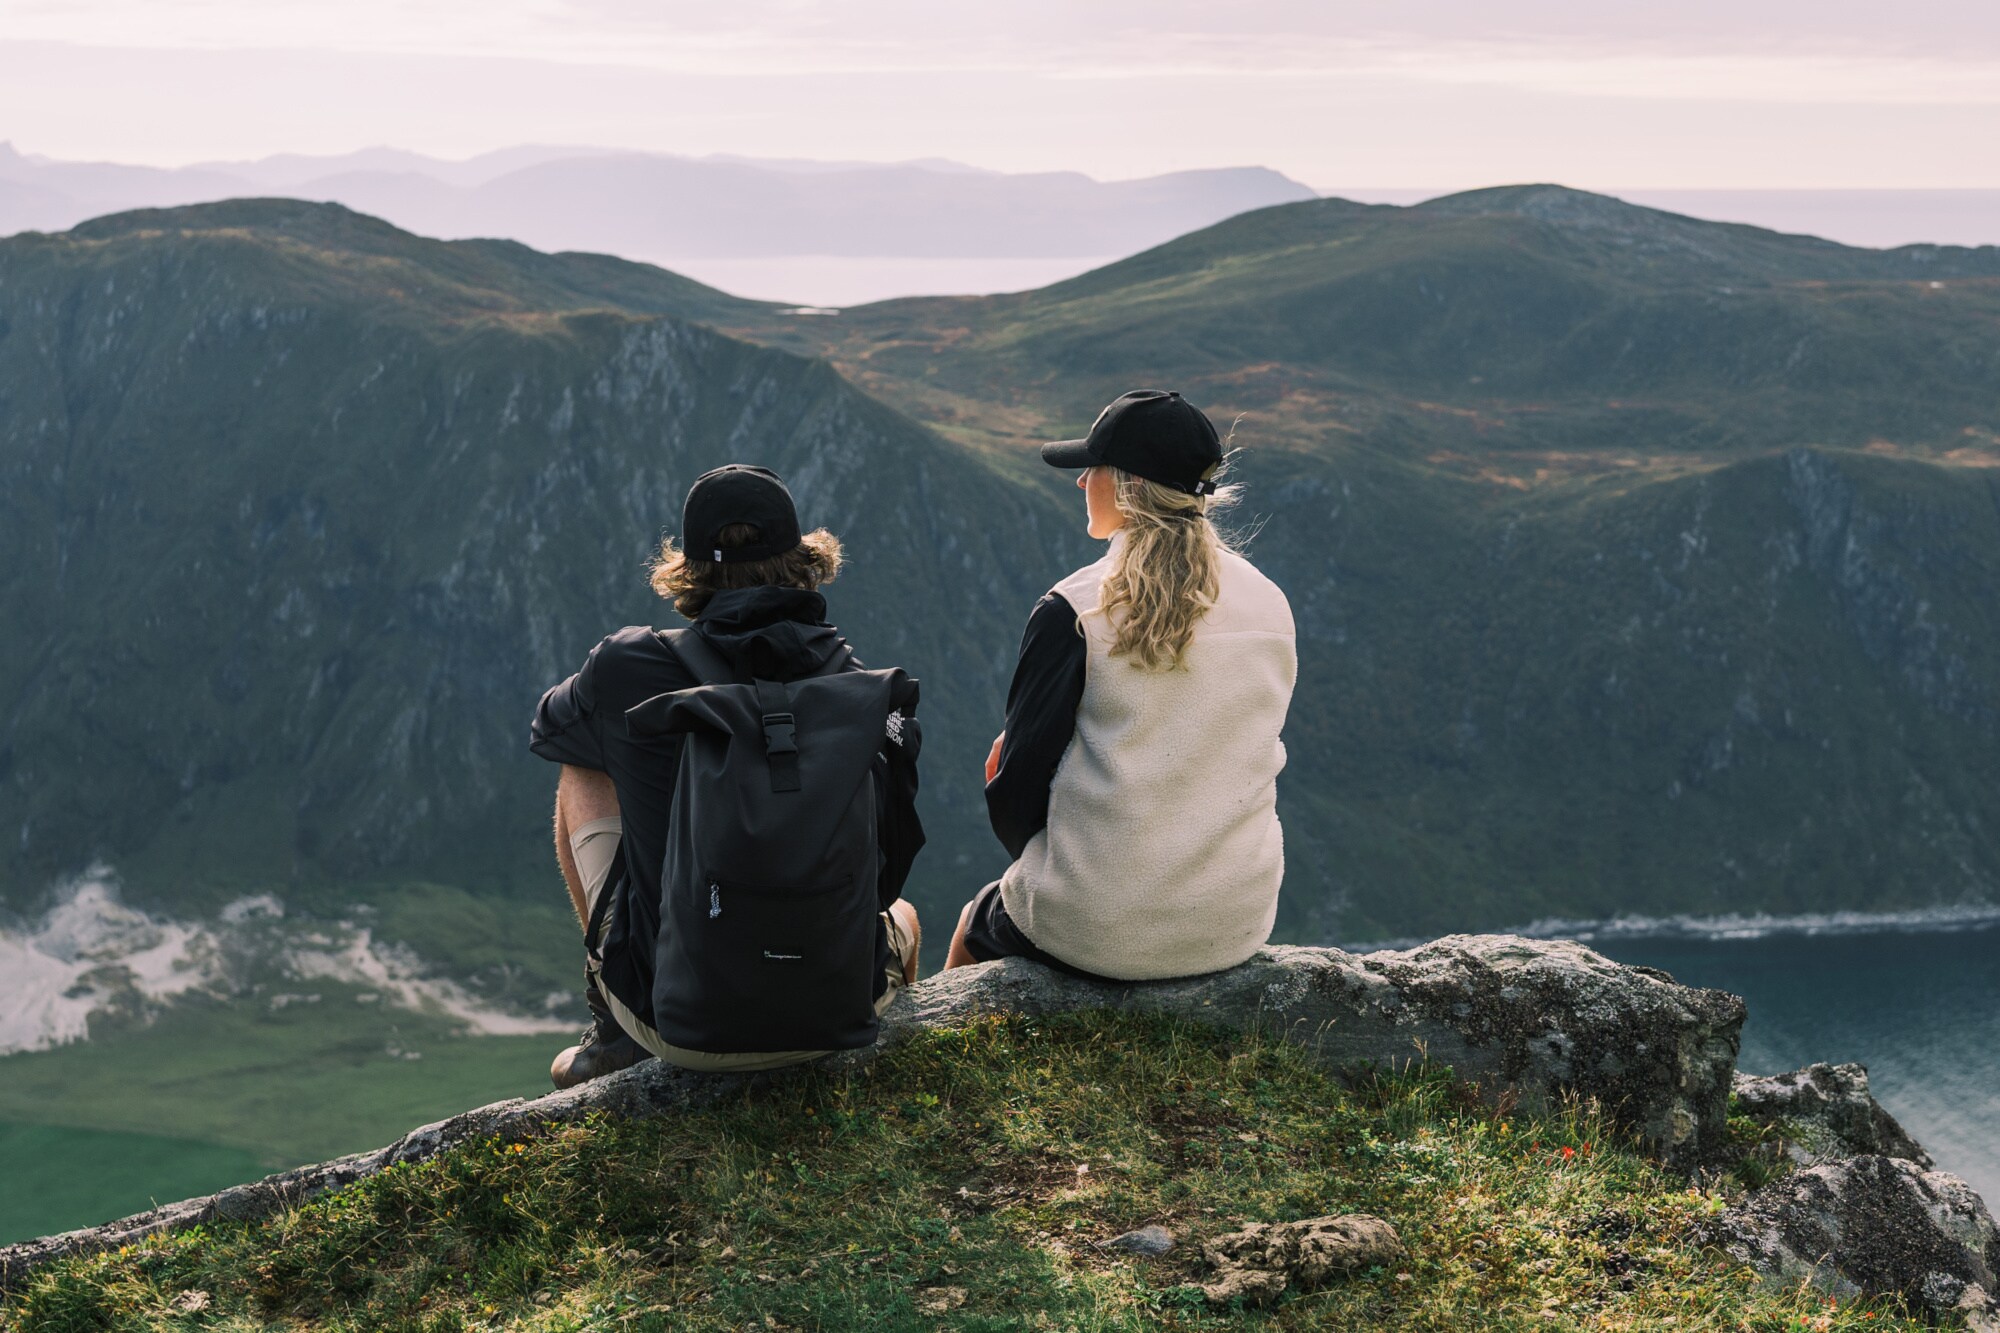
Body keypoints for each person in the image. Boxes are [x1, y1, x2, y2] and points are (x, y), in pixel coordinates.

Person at [530, 464, 923, 1087]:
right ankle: (860, 1060)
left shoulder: (631, 664)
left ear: (687, 569)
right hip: (840, 1013)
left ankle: (613, 1022)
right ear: (804, 559)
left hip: (680, 1024)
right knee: (902, 914)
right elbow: (887, 870)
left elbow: (550, 728)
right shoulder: (857, 686)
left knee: (582, 764)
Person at [945, 390, 1296, 981]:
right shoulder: (1270, 602)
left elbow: (1018, 791)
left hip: (1096, 924)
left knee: (973, 922)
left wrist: (1022, 817)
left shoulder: (1076, 610)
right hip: (1234, 920)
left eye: (1094, 468)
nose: (1082, 481)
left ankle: (934, 1048)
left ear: (1129, 483)